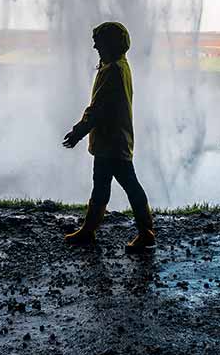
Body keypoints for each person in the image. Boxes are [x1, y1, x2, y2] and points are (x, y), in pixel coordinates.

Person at [62, 22, 156, 254]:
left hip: (111, 143)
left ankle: (145, 233)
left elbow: (98, 108)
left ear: (110, 44)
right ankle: (89, 229)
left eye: (99, 41)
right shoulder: (119, 66)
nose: (94, 46)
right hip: (112, 141)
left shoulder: (112, 70)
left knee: (127, 185)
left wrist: (78, 132)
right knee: (104, 185)